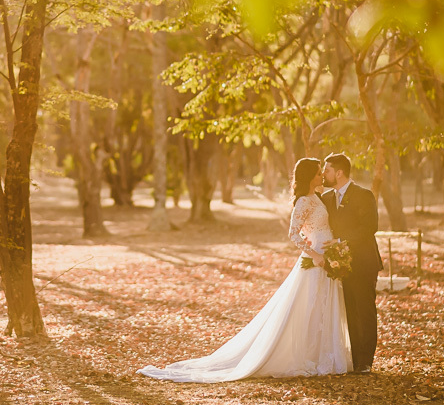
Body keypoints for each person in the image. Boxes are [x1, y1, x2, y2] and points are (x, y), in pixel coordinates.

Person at [137, 158, 352, 382]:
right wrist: (315, 254)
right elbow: (292, 234)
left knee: (323, 306)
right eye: (318, 173)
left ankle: (323, 356)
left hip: (328, 259)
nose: (321, 177)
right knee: (310, 307)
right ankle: (308, 357)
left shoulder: (317, 198)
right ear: (309, 177)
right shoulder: (304, 202)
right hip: (315, 260)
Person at [320, 152, 383, 374]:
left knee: (364, 310)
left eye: (326, 170)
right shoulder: (326, 198)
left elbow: (369, 228)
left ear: (339, 173)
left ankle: (365, 361)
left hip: (364, 261)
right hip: (339, 266)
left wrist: (339, 241)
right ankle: (354, 359)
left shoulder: (363, 195)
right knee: (349, 311)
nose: (323, 174)